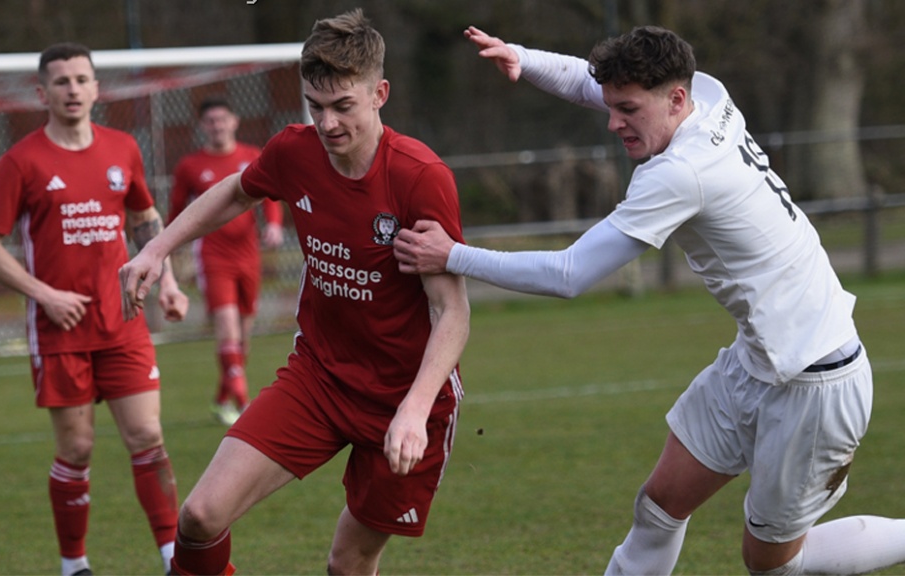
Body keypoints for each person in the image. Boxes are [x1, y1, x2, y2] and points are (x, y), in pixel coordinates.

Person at [393, 25, 905, 576]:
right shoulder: (706, 94)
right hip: (757, 362)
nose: (613, 122)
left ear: (675, 99)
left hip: (815, 382)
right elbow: (594, 86)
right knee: (659, 507)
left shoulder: (679, 173)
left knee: (774, 565)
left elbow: (569, 273)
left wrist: (454, 255)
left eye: (628, 110)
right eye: (613, 107)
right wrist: (523, 57)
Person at [120, 9, 469, 576]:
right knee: (201, 516)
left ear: (380, 93)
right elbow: (237, 191)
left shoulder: (419, 177)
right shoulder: (295, 151)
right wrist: (157, 249)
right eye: (315, 105)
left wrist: (414, 408)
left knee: (347, 563)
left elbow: (452, 310)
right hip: (319, 379)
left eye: (343, 106)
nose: (327, 123)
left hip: (404, 398)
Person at [0, 42, 188, 576]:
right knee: (78, 449)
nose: (73, 89)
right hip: (58, 329)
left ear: (96, 88)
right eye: (61, 81)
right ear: (42, 93)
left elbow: (145, 219)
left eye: (81, 79)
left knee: (147, 437)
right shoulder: (21, 161)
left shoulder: (122, 148)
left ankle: (172, 558)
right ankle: (75, 565)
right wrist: (44, 294)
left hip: (123, 320)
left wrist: (167, 282)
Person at [168, 96, 284, 425]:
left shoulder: (251, 156)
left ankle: (222, 400)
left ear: (234, 121)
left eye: (222, 119)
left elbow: (269, 196)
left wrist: (273, 224)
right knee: (228, 329)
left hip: (248, 256)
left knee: (243, 338)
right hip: (212, 256)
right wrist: (169, 246)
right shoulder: (190, 166)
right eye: (210, 121)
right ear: (202, 126)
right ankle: (246, 406)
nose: (217, 126)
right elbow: (177, 212)